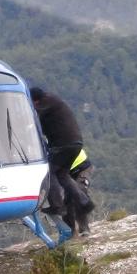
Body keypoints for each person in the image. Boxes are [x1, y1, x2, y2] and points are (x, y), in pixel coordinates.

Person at [30, 86, 94, 235]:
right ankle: (72, 228)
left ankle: (81, 225)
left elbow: (32, 116)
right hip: (72, 149)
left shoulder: (48, 102)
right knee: (63, 181)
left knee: (53, 177)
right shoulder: (52, 110)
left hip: (79, 165)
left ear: (36, 101)